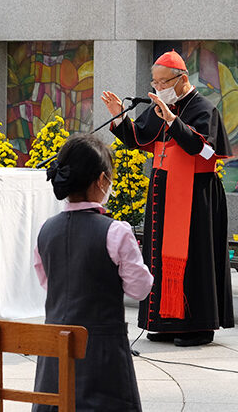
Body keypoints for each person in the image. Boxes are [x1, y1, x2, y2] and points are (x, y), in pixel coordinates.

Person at [101, 49, 234, 347]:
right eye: (155, 81)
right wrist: (118, 117)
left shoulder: (203, 108)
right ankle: (166, 322)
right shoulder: (161, 106)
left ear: (182, 79)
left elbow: (205, 150)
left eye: (163, 82)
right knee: (158, 258)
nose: (157, 87)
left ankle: (198, 326)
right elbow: (139, 139)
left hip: (195, 197)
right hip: (163, 192)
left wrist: (173, 120)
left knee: (195, 258)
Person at [33, 133, 153, 412]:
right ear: (101, 181)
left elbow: (47, 283)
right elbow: (140, 289)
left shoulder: (45, 230)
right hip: (102, 363)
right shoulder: (116, 231)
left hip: (53, 366)